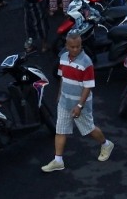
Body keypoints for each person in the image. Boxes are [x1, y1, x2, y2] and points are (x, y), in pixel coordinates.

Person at [41, 31, 114, 173]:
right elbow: (62, 78)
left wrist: (80, 106)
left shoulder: (86, 62)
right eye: (72, 47)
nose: (76, 49)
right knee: (60, 130)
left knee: (89, 129)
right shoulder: (62, 58)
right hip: (64, 101)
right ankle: (58, 161)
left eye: (78, 46)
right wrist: (59, 94)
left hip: (79, 104)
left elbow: (88, 86)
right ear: (66, 46)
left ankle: (106, 144)